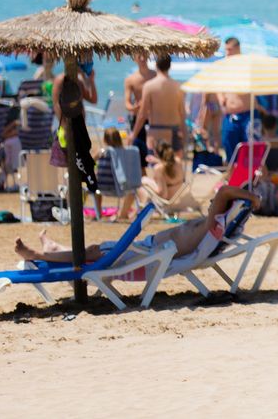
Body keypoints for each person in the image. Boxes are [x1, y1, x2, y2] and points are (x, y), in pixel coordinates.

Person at [17, 185, 258, 265]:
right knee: (95, 249)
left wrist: (252, 198)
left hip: (149, 256)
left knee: (94, 253)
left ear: (220, 209)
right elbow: (225, 194)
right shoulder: (209, 227)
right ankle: (52, 248)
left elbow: (226, 191)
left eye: (215, 202)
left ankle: (39, 255)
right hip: (148, 249)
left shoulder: (210, 225)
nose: (212, 202)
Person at [53, 58, 100, 205]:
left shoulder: (78, 80)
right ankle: (71, 204)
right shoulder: (61, 80)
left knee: (80, 168)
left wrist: (90, 80)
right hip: (68, 130)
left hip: (79, 130)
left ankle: (76, 203)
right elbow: (57, 105)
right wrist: (67, 128)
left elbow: (93, 99)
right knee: (74, 168)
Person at [130, 54, 188, 160]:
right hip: (174, 132)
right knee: (174, 169)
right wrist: (185, 136)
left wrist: (133, 134)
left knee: (157, 169)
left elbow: (142, 114)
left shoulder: (149, 86)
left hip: (156, 132)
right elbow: (182, 114)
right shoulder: (178, 86)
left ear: (156, 65)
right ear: (170, 67)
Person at [218, 37, 252, 162]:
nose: (227, 53)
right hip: (230, 115)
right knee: (230, 151)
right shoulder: (223, 66)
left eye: (230, 50)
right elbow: (217, 85)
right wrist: (221, 97)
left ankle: (251, 178)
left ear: (238, 49)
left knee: (250, 150)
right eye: (226, 50)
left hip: (246, 115)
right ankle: (232, 178)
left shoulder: (246, 65)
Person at [122, 54, 155, 136]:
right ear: (134, 59)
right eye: (139, 56)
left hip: (154, 118)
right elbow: (127, 104)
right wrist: (134, 108)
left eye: (144, 55)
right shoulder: (130, 80)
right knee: (138, 147)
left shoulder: (156, 75)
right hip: (138, 118)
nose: (143, 58)